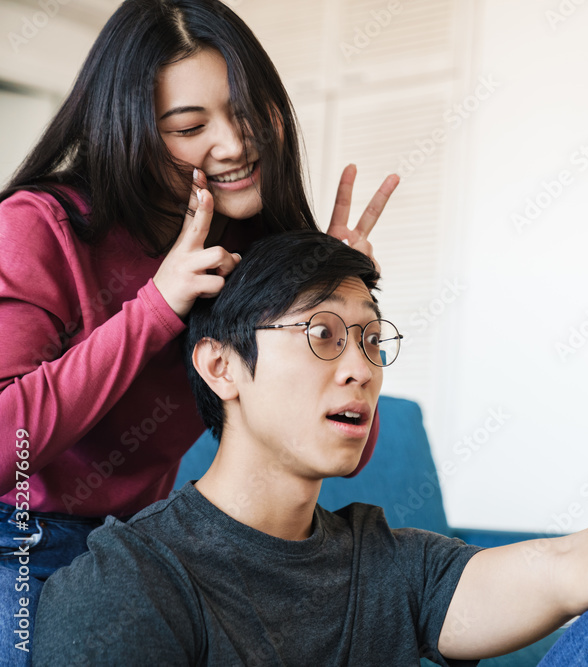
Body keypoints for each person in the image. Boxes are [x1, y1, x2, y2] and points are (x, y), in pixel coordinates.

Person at [33, 230, 588, 666]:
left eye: (372, 341)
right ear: (220, 365)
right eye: (324, 335)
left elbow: (568, 566)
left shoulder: (390, 563)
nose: (361, 370)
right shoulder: (129, 584)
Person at [0, 0, 397, 658]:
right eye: (190, 126)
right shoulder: (40, 227)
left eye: (246, 111)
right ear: (129, 128)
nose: (236, 144)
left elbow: (342, 451)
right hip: (22, 539)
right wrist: (157, 305)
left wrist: (333, 315)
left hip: (149, 543)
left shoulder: (252, 242)